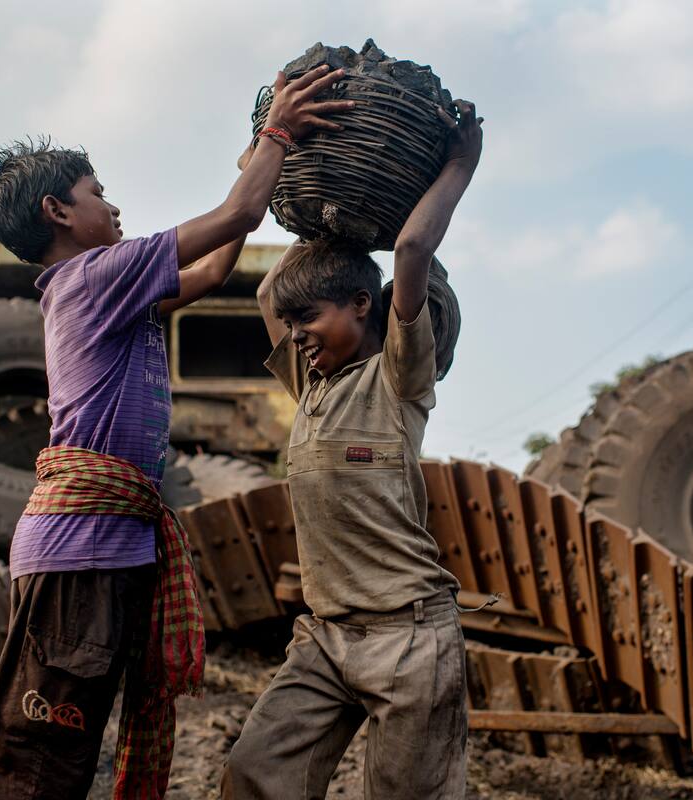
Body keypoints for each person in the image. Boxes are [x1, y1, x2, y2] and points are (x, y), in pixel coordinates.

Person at [0, 64, 353, 800]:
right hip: (81, 552)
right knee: (34, 757)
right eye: (98, 194)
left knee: (68, 740)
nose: (113, 206)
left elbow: (207, 273)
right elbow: (235, 217)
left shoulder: (110, 294)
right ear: (56, 211)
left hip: (109, 548)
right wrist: (276, 134)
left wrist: (254, 163)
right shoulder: (94, 276)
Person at [222, 99, 483, 799]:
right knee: (254, 773)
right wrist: (270, 139)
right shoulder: (308, 380)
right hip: (325, 639)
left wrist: (460, 162)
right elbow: (273, 291)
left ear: (364, 308)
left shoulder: (398, 378)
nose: (296, 333)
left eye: (311, 318)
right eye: (294, 323)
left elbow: (410, 253)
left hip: (409, 641)